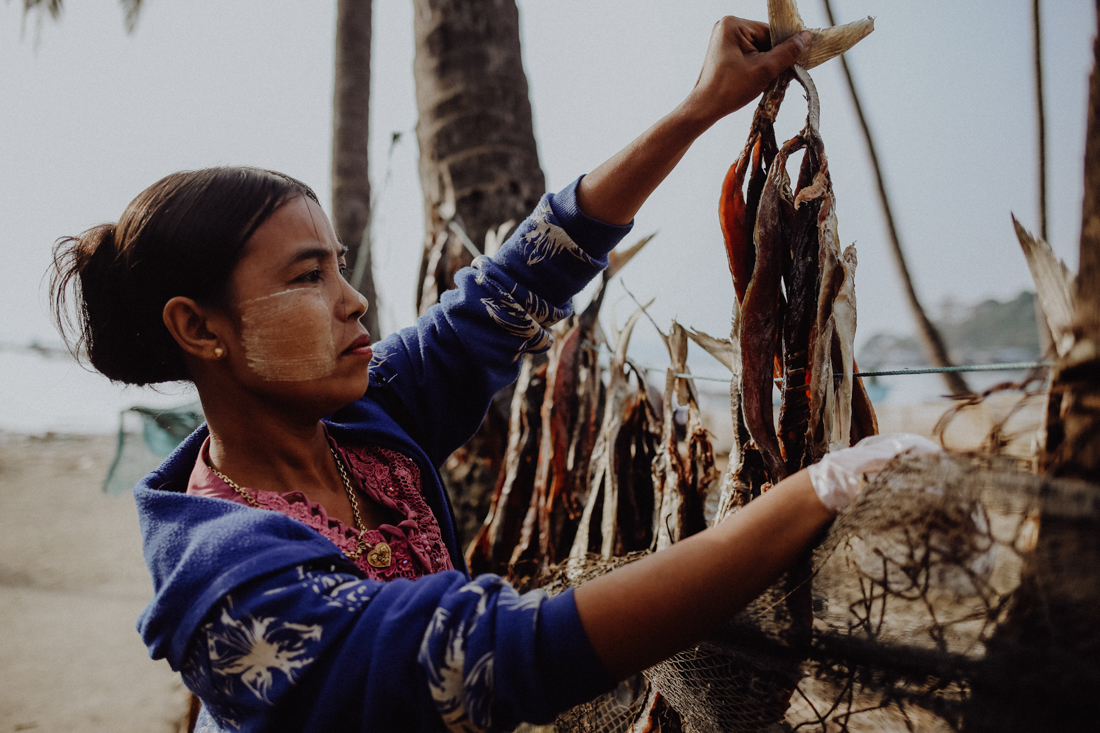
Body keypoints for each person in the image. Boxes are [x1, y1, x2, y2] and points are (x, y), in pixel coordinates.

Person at [50, 16, 936, 733]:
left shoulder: (366, 418)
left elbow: (516, 278)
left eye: (342, 266)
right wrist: (811, 491)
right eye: (307, 277)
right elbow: (500, 656)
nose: (354, 302)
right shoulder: (232, 589)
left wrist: (699, 108)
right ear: (197, 329)